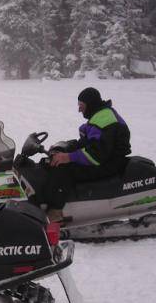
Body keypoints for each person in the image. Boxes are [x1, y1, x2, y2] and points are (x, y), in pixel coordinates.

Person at [37, 87, 131, 221]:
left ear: (90, 104)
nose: (79, 109)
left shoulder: (104, 119)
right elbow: (86, 143)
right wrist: (64, 147)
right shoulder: (100, 115)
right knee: (51, 162)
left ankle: (55, 213)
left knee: (63, 170)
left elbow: (96, 155)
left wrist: (68, 157)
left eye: (81, 105)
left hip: (109, 163)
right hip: (106, 159)